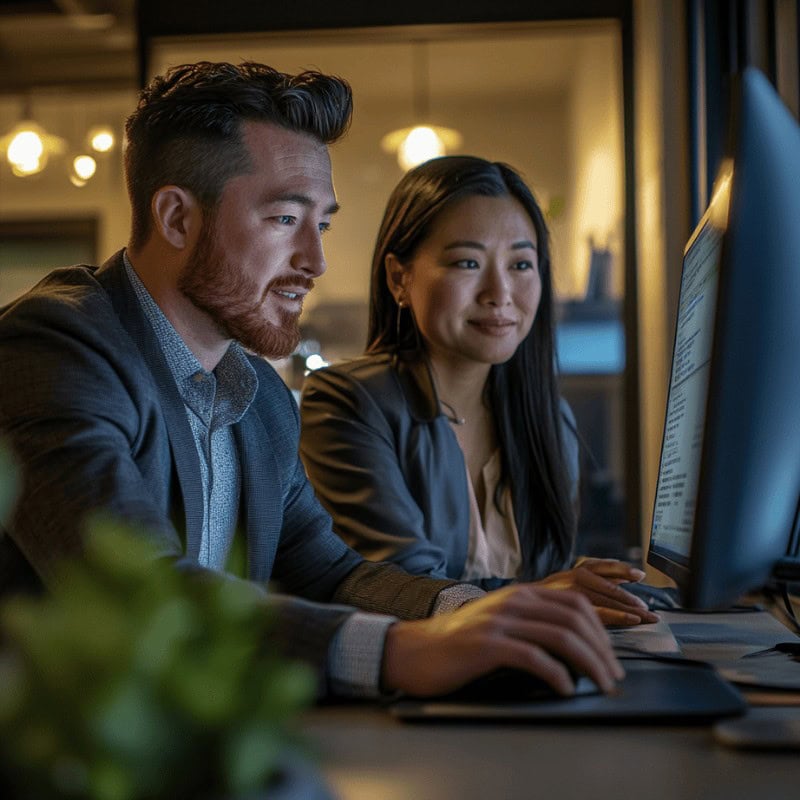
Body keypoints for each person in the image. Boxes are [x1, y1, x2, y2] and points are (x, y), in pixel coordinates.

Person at [0, 61, 624, 700]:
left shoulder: (260, 399)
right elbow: (137, 594)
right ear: (178, 219)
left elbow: (333, 574)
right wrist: (400, 651)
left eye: (320, 224)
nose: (315, 261)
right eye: (283, 220)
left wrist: (468, 609)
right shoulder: (54, 348)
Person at [300, 155, 656, 626]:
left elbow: (548, 571)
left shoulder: (550, 420)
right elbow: (399, 588)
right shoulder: (346, 402)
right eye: (468, 262)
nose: (500, 292)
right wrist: (547, 592)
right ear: (398, 278)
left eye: (522, 264)